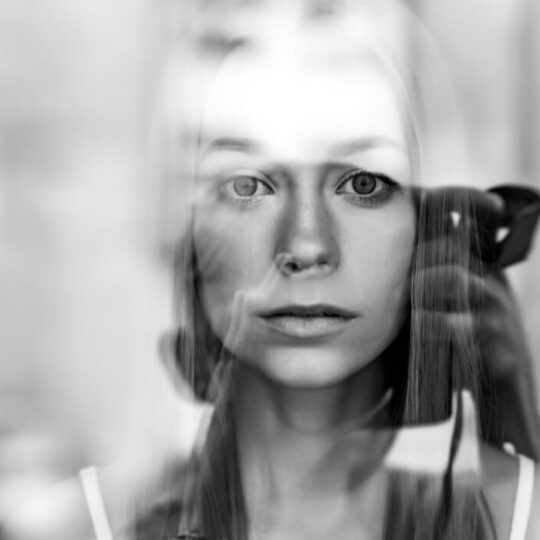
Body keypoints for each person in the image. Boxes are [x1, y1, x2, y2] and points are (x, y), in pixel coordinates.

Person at [3, 1, 540, 539]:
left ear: (431, 230)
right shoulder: (67, 528)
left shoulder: (520, 516)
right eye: (244, 185)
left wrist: (510, 420)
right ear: (183, 232)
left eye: (363, 183)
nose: (306, 245)